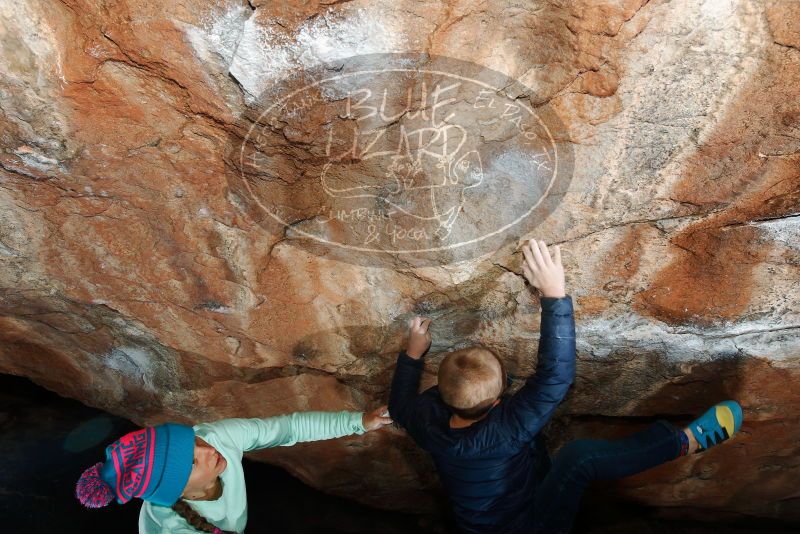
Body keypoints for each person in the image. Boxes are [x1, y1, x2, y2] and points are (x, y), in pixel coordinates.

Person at [388, 238, 744, 534]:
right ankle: (684, 443)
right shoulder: (508, 429)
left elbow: (399, 406)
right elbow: (554, 377)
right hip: (534, 527)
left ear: (442, 393)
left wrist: (411, 354)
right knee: (579, 459)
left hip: (488, 521)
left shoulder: (424, 422)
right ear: (498, 403)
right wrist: (553, 294)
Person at [75, 407, 393, 533]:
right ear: (182, 492)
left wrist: (360, 421)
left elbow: (289, 428)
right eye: (191, 461)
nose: (206, 449)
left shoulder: (214, 437)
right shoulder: (174, 529)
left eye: (192, 440)